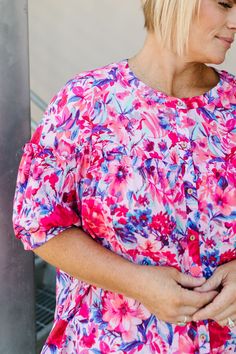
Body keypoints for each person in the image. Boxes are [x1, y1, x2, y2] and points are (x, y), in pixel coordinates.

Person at [12, 0, 236, 352]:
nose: (235, 21)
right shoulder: (84, 103)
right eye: (224, 4)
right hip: (108, 343)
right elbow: (37, 222)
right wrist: (139, 284)